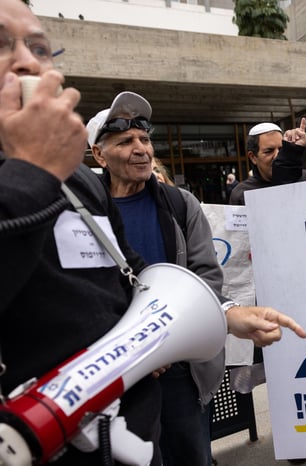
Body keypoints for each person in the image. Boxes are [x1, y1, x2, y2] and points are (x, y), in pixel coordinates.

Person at [0, 1, 306, 465]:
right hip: (36, 439)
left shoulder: (83, 184)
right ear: (100, 154)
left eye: (40, 48)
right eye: (4, 45)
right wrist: (33, 175)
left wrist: (224, 315)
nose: (27, 61)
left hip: (131, 428)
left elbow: (130, 275)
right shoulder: (48, 173)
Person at [85, 91, 229, 466]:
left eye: (145, 140)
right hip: (114, 376)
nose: (141, 149)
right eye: (125, 141)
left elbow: (206, 277)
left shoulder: (181, 203)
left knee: (191, 456)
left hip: (179, 372)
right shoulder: (80, 215)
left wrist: (165, 342)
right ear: (99, 155)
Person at [229, 121, 306, 205]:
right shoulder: (241, 194)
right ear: (253, 157)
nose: (277, 156)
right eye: (269, 151)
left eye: (281, 149)